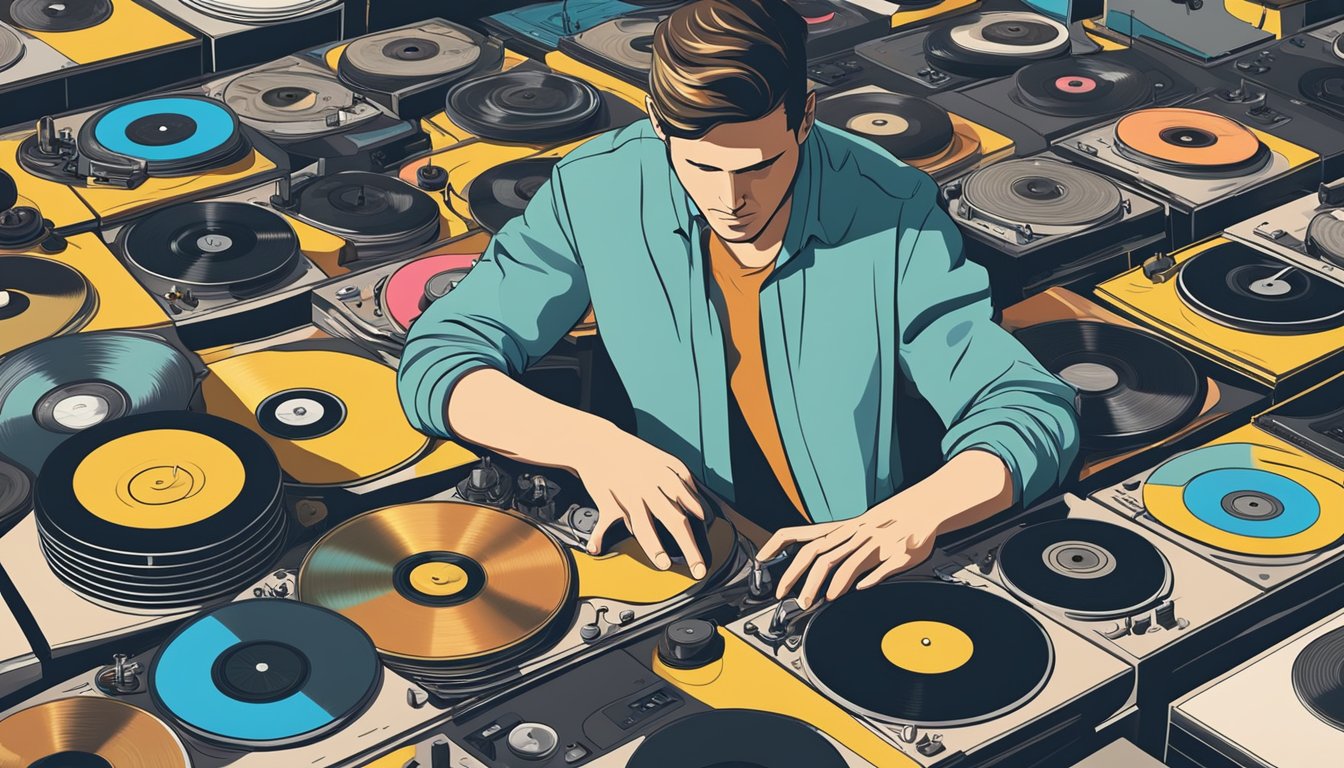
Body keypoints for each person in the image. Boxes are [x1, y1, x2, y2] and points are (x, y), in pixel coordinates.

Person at [397, 0, 1079, 609]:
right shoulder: (594, 187)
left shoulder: (892, 208)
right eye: (701, 168)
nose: (730, 200)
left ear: (805, 117)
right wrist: (591, 444)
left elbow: (1027, 407)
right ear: (661, 131)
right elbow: (440, 356)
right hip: (688, 555)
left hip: (838, 576)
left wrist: (914, 515)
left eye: (758, 165)